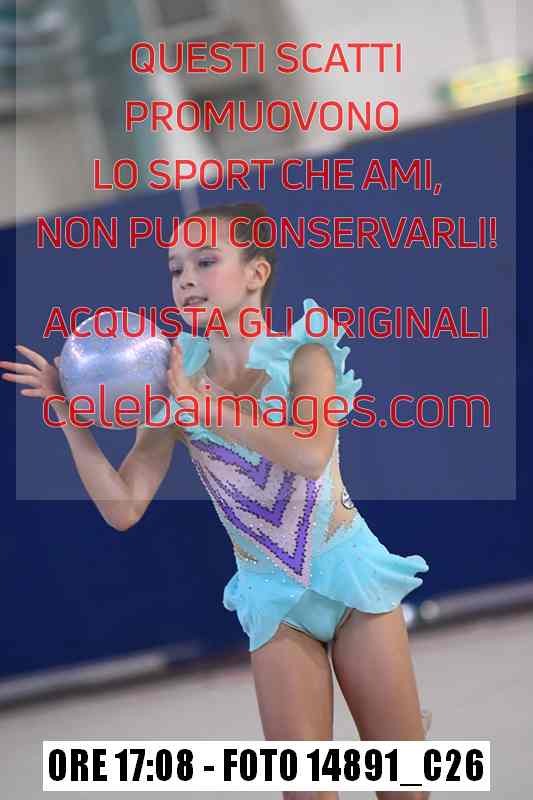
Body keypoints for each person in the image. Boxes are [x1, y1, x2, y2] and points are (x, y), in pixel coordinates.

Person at [2, 202, 430, 800]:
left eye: (205, 262)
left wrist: (203, 405)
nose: (186, 280)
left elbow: (309, 454)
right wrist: (71, 421)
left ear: (256, 273)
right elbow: (123, 507)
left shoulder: (306, 357)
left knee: (403, 788)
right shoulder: (171, 377)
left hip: (350, 576)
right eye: (175, 268)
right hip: (271, 598)